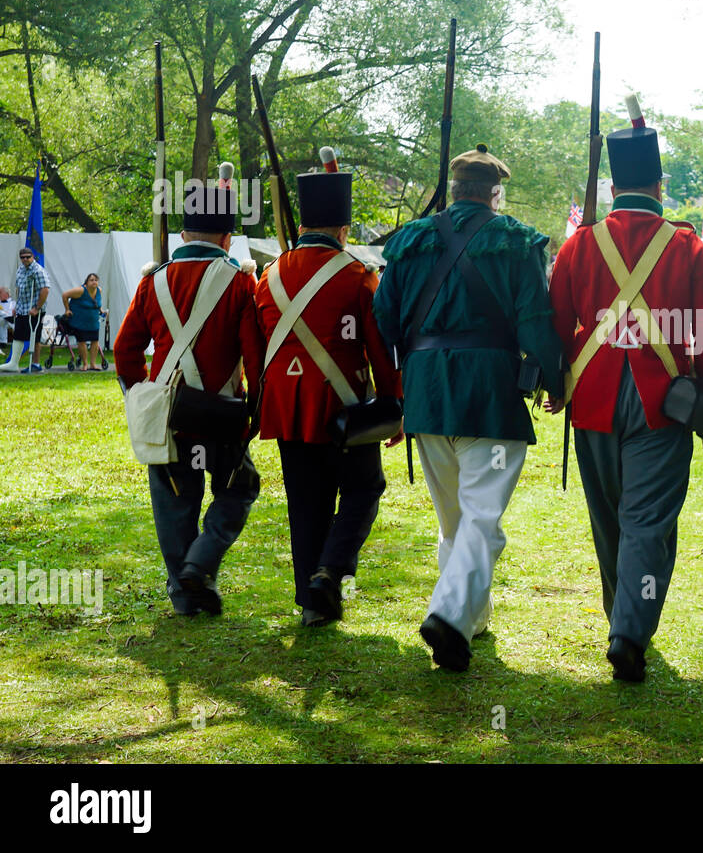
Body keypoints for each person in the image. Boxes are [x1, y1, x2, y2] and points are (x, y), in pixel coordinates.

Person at [546, 118, 703, 683]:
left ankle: (621, 617)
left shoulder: (579, 245)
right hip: (663, 400)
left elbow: (557, 323)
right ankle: (628, 629)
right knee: (647, 520)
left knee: (609, 519)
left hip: (593, 398)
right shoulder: (686, 244)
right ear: (659, 183)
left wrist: (557, 386)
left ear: (614, 185)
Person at [374, 144, 563, 671]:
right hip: (488, 392)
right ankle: (451, 614)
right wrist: (553, 375)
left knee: (455, 518)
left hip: (429, 392)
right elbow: (533, 320)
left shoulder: (412, 239)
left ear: (456, 189)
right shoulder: (515, 240)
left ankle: (470, 618)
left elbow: (385, 318)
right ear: (494, 193)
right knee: (481, 516)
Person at [255, 167, 404, 627]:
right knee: (364, 488)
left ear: (301, 227)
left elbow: (261, 343)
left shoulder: (268, 275)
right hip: (344, 404)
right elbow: (379, 350)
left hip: (286, 405)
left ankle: (312, 603)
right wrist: (393, 405)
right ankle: (330, 573)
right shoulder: (359, 275)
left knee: (305, 500)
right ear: (343, 230)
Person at [114, 184, 264, 617]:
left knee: (174, 504)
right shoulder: (240, 282)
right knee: (237, 490)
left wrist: (147, 395)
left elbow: (125, 355)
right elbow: (255, 359)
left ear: (183, 235)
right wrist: (253, 410)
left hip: (171, 420)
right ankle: (201, 565)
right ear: (227, 238)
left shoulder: (152, 281)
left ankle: (185, 592)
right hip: (223, 419)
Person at [1, 247, 51, 373]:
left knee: (35, 337)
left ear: (32, 257)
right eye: (22, 257)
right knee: (18, 335)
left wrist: (37, 308)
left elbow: (45, 289)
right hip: (22, 308)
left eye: (28, 257)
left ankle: (36, 364)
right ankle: (13, 363)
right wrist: (16, 307)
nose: (25, 259)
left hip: (35, 310)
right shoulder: (20, 270)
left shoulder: (38, 271)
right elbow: (19, 289)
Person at [61, 273, 106, 371]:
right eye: (92, 280)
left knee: (95, 341)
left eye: (96, 280)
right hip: (79, 322)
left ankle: (93, 364)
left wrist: (101, 310)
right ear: (87, 282)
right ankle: (85, 364)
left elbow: (97, 302)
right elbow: (65, 295)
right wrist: (67, 309)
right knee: (82, 342)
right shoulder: (81, 290)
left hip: (93, 322)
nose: (94, 282)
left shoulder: (99, 290)